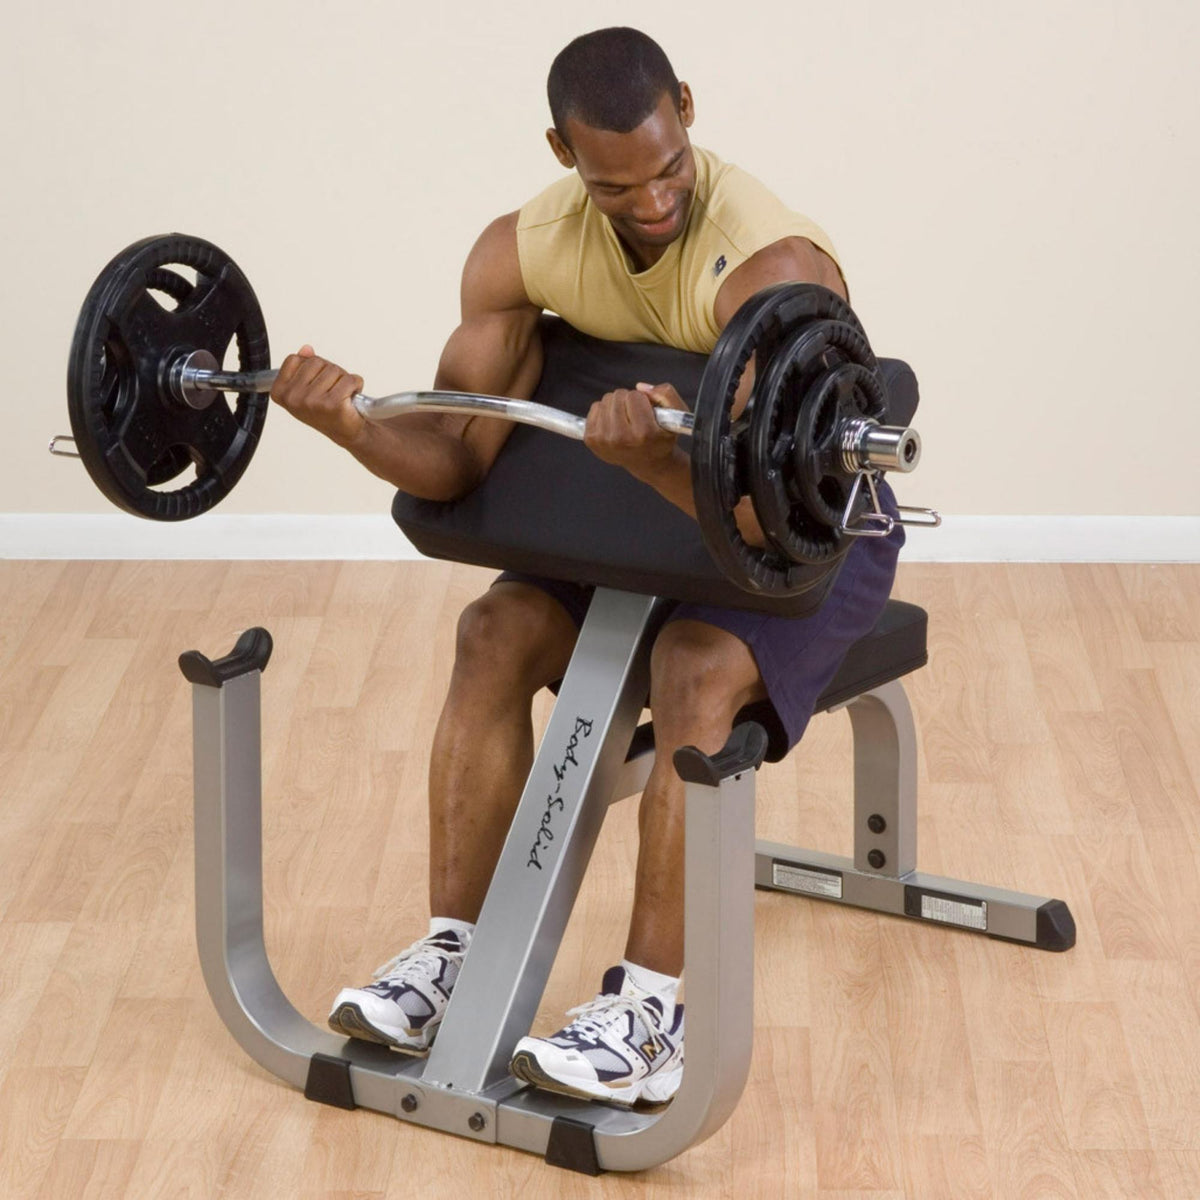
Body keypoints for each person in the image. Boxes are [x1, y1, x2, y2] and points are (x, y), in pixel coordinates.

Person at [269, 27, 902, 1108]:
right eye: (619, 187)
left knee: (697, 669)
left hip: (806, 530)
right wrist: (350, 427)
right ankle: (451, 955)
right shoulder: (520, 251)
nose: (654, 202)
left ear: (688, 110)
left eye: (669, 170)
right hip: (632, 514)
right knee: (492, 630)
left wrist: (661, 457)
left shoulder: (769, 264)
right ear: (562, 150)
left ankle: (653, 1011)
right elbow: (456, 458)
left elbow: (760, 520)